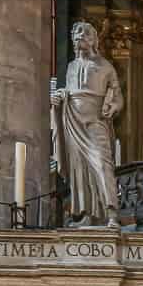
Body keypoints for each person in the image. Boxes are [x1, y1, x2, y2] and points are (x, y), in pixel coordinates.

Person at [51, 20, 123, 226]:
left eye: (85, 32)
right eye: (77, 32)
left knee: (102, 164)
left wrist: (114, 106)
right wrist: (59, 97)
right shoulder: (72, 66)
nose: (80, 35)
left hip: (95, 121)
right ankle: (87, 214)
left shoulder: (105, 66)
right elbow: (69, 92)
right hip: (73, 119)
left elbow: (118, 96)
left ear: (94, 39)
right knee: (79, 169)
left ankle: (112, 213)